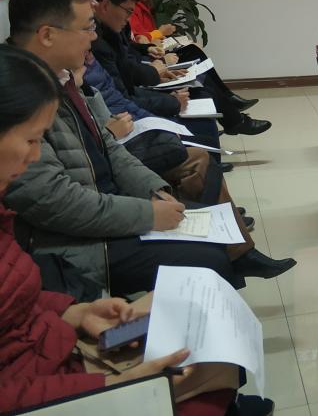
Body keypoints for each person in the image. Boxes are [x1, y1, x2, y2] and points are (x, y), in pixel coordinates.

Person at [0, 44, 272, 415]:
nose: (34, 155)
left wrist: (73, 313)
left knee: (195, 315)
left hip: (55, 342)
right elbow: (62, 204)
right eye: (31, 141)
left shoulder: (71, 87)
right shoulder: (39, 95)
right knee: (203, 286)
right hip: (57, 368)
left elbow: (16, 304)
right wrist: (113, 387)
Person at [3, 0, 294, 300]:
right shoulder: (18, 96)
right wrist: (147, 215)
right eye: (86, 27)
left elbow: (110, 148)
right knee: (208, 255)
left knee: (208, 223)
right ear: (47, 35)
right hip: (77, 246)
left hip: (108, 211)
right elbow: (57, 202)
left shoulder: (63, 78)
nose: (93, 37)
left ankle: (235, 266)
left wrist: (153, 191)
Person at [90, 0, 270, 136]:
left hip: (145, 71)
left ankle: (231, 109)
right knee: (199, 86)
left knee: (196, 68)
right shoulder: (98, 41)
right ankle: (234, 118)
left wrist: (151, 54)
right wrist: (165, 87)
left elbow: (129, 53)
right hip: (138, 89)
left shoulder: (111, 28)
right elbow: (125, 91)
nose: (129, 16)